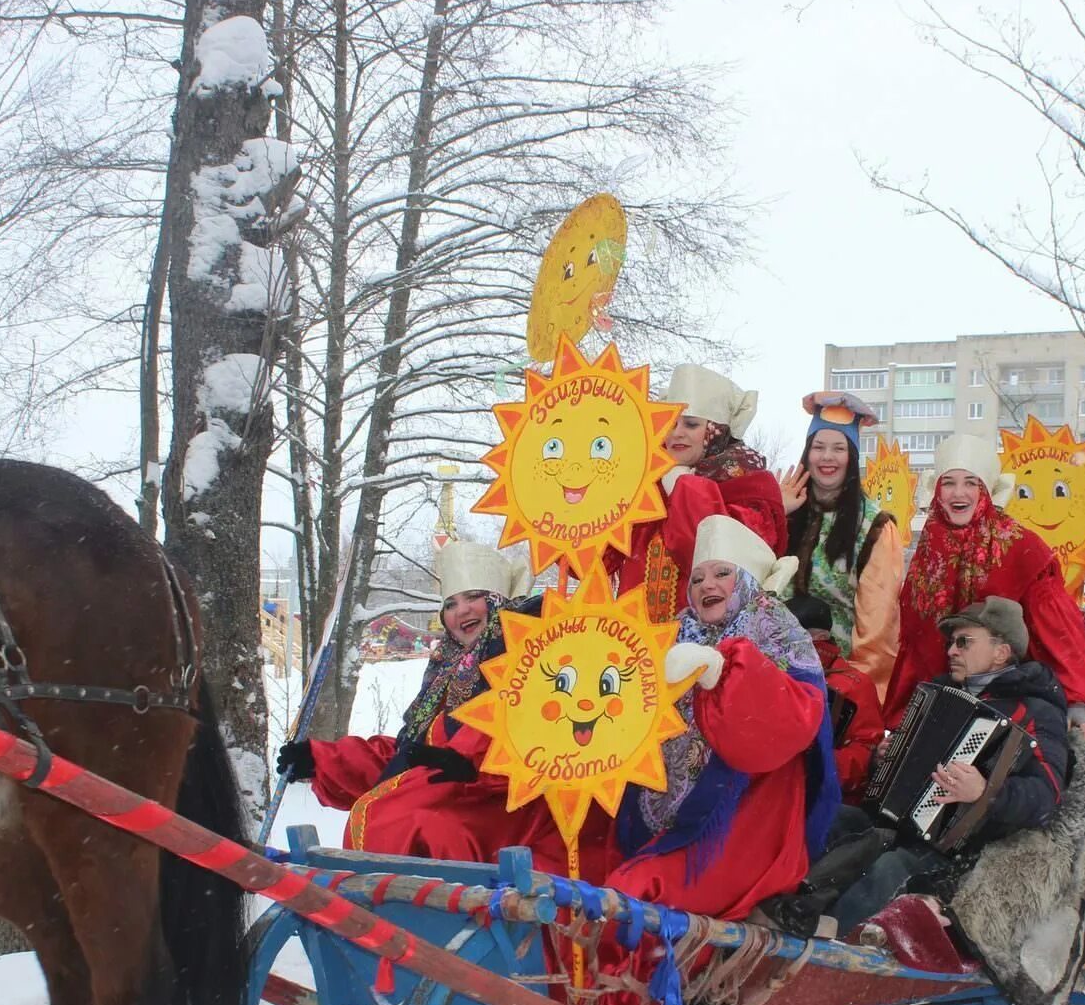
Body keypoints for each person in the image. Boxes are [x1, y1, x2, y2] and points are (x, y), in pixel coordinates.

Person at [276, 541, 607, 878]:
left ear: (497, 601)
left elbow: (535, 735)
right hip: (453, 796)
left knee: (422, 821)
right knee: (391, 810)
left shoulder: (536, 662)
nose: (461, 611)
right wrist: (323, 760)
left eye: (473, 597)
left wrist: (466, 759)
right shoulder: (447, 672)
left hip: (516, 809)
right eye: (450, 604)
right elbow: (410, 755)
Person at [607, 515, 840, 920]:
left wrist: (723, 672)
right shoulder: (675, 632)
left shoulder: (779, 633)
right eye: (696, 579)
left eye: (721, 573)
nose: (706, 586)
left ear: (747, 580)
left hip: (745, 825)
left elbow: (794, 723)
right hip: (664, 814)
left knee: (634, 893)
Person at [829, 596, 1071, 934]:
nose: (951, 651)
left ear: (1001, 651)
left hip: (963, 850)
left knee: (889, 869)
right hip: (896, 824)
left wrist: (985, 792)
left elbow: (1047, 793)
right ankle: (791, 918)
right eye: (951, 643)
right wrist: (882, 758)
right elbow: (901, 756)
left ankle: (836, 953)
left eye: (964, 642)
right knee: (830, 820)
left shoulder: (1037, 711)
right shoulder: (940, 691)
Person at [883, 433, 1085, 732]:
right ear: (935, 490)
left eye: (970, 483)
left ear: (987, 491)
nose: (958, 493)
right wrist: (903, 716)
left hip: (1004, 709)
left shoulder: (1021, 548)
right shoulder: (926, 553)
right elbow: (915, 643)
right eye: (948, 483)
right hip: (938, 709)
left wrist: (1077, 705)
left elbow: (1059, 635)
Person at [611, 364, 786, 623]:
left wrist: (682, 483)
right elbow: (596, 560)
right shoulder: (645, 488)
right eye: (671, 424)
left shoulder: (751, 487)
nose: (677, 433)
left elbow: (706, 550)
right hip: (634, 645)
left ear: (715, 431)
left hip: (705, 646)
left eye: (691, 424)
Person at [779, 392, 904, 698]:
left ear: (852, 457)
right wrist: (775, 514)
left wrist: (855, 698)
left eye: (839, 448)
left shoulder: (874, 527)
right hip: (773, 673)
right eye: (818, 447)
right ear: (807, 453)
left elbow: (877, 629)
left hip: (834, 681)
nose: (827, 457)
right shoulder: (784, 510)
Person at [787, 593, 886, 801]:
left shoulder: (854, 684)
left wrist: (817, 768)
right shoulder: (769, 668)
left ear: (820, 638)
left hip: (826, 796)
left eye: (789, 635)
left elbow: (866, 751)